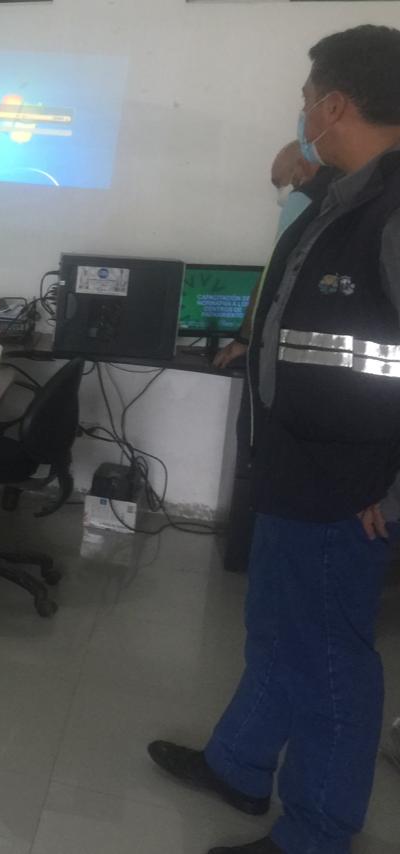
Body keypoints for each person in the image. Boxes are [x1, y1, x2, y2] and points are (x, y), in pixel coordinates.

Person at [149, 25, 400, 854]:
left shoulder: (392, 211)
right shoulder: (348, 194)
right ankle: (240, 765)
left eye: (306, 101)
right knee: (276, 629)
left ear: (336, 105)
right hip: (296, 462)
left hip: (350, 487)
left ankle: (317, 836)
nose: (301, 115)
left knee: (327, 659)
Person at [212, 143, 336, 370]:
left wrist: (244, 340)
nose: (280, 192)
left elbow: (273, 274)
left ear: (301, 168)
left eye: (278, 183)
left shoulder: (304, 197)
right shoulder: (348, 191)